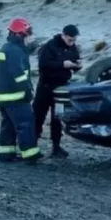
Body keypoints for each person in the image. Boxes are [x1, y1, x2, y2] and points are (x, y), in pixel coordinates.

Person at [0, 17, 41, 163]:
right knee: (25, 124)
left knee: (8, 126)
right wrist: (27, 90)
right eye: (26, 35)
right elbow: (19, 74)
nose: (27, 38)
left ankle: (6, 154)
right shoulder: (15, 51)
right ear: (19, 34)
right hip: (17, 97)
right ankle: (30, 155)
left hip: (3, 97)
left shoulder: (5, 49)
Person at [33, 24, 82, 158]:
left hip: (62, 88)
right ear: (63, 35)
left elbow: (75, 62)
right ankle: (31, 147)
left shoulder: (73, 48)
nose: (72, 43)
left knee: (57, 118)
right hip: (45, 86)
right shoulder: (49, 46)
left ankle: (56, 147)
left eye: (74, 40)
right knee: (38, 116)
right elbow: (43, 66)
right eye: (70, 40)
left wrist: (77, 65)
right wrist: (62, 64)